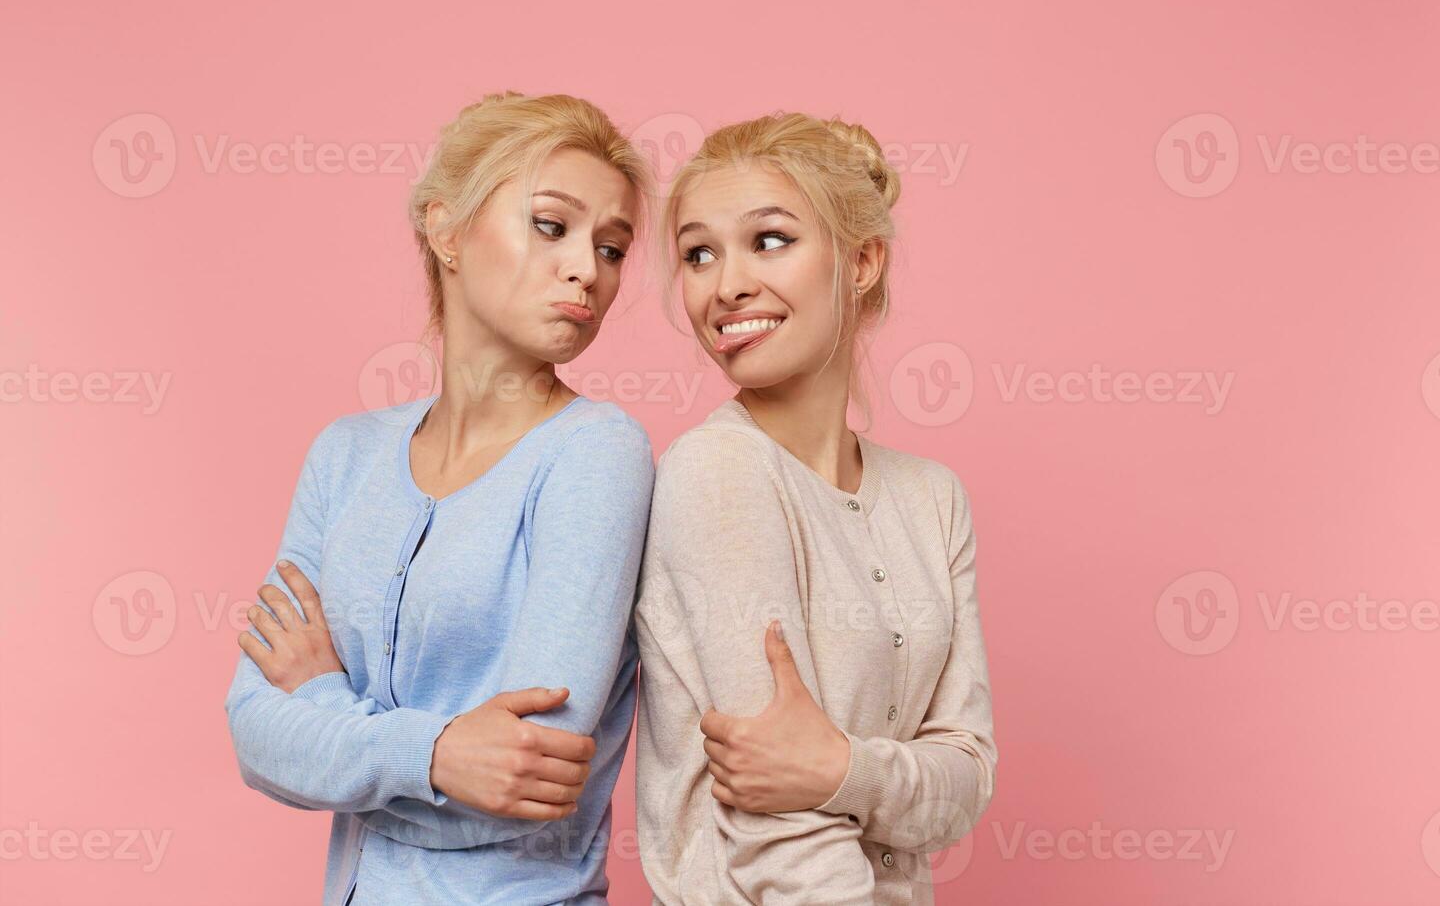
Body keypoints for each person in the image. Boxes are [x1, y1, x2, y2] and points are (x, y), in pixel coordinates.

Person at [223, 91, 656, 906]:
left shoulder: (598, 455)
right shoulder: (345, 455)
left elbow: (530, 775)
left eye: (613, 247)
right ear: (446, 229)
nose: (587, 270)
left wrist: (323, 710)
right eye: (552, 226)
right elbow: (253, 733)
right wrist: (434, 755)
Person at [634, 112, 998, 904]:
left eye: (769, 240)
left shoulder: (932, 498)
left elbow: (967, 778)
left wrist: (841, 769)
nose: (725, 284)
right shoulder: (719, 472)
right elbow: (776, 829)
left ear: (862, 261)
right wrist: (871, 782)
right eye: (699, 253)